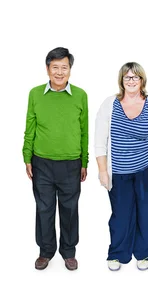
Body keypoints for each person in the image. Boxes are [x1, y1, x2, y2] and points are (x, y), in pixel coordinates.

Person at [95, 62, 148, 271]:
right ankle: (117, 254)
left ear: (142, 80)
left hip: (146, 171)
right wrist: (102, 170)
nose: (131, 81)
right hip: (118, 172)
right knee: (121, 214)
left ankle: (144, 253)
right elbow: (100, 141)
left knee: (147, 213)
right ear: (121, 81)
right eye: (127, 77)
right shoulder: (109, 105)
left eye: (135, 77)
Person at [22, 47, 88, 271]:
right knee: (44, 208)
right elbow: (29, 128)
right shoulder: (35, 94)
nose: (60, 72)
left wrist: (84, 162)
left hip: (71, 163)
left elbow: (84, 130)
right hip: (41, 163)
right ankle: (45, 251)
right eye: (55, 67)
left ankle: (69, 252)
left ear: (70, 70)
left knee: (69, 210)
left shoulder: (80, 95)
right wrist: (27, 157)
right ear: (47, 69)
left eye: (64, 67)